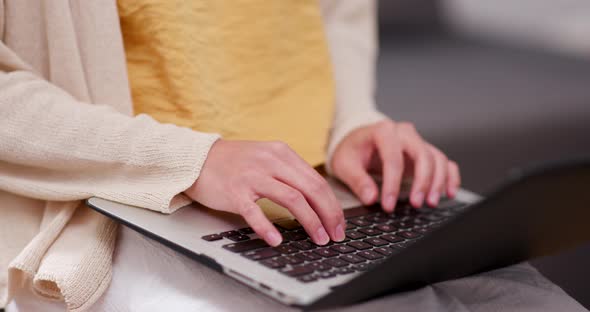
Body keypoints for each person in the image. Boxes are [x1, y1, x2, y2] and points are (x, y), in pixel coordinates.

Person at [0, 1, 584, 312]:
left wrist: (353, 122)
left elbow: (338, 14)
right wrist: (193, 159)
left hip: (330, 191)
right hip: (130, 204)